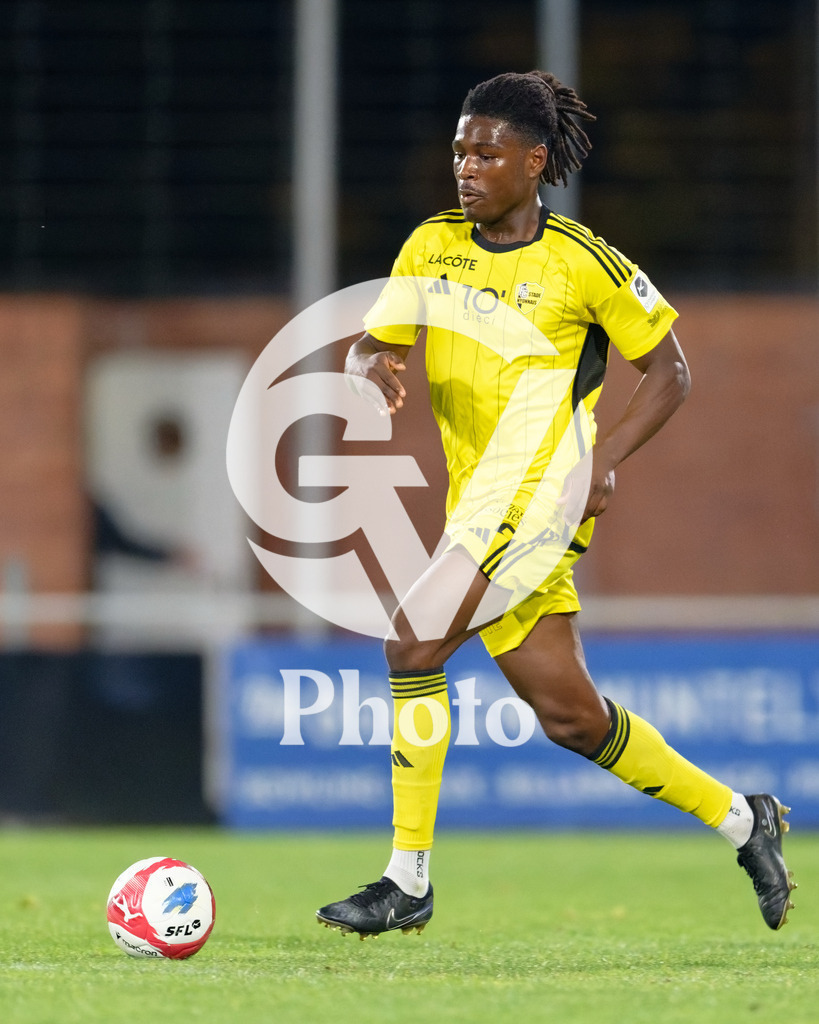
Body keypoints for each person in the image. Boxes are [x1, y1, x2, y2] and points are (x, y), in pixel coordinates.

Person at [315, 71, 796, 938]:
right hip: (475, 506)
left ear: (533, 163)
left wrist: (599, 461)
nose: (465, 167)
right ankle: (743, 818)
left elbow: (670, 372)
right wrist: (364, 363)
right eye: (459, 150)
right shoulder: (430, 246)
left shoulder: (583, 262)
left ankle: (406, 879)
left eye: (485, 153)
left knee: (413, 639)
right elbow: (375, 341)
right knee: (571, 717)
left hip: (536, 496)